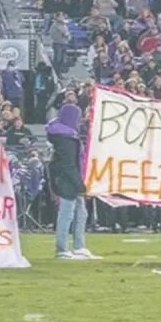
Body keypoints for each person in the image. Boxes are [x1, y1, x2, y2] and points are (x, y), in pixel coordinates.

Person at [47, 104, 99, 260]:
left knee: (80, 213)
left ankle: (79, 247)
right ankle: (62, 249)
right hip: (67, 181)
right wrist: (80, 185)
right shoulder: (66, 140)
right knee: (67, 214)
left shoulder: (65, 136)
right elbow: (69, 165)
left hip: (69, 180)